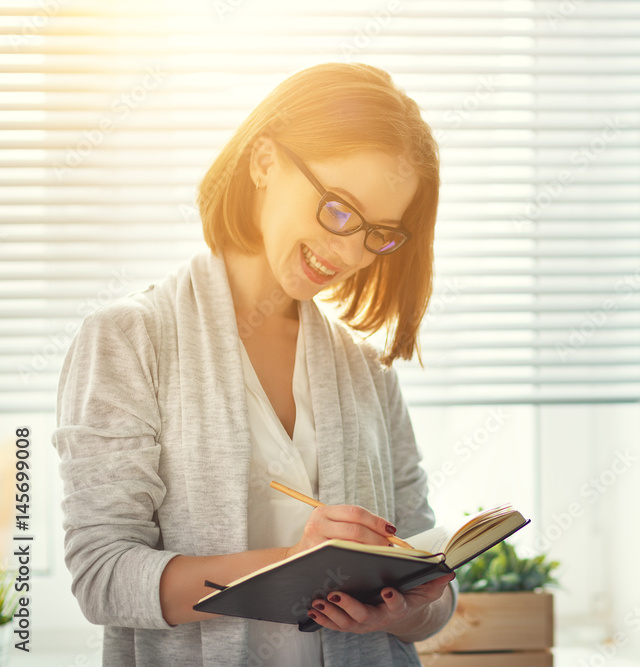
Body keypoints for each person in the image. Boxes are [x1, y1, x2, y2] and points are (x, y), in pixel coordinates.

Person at [52, 62, 456, 666]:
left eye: (377, 233)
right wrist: (297, 568)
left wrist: (403, 609)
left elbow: (431, 589)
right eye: (339, 210)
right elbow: (104, 577)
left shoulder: (367, 370)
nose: (349, 252)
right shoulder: (130, 340)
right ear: (264, 161)